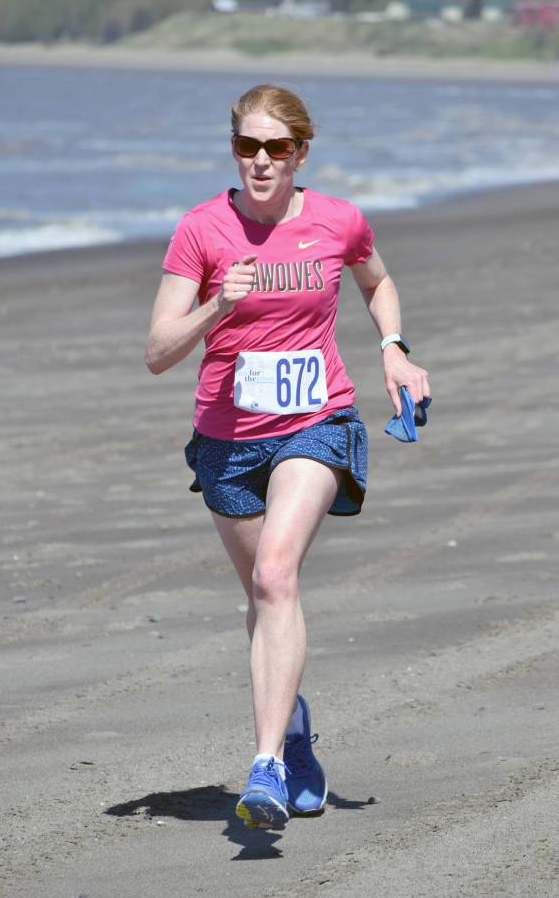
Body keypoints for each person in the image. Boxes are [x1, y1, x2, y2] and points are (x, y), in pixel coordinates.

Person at [145, 84, 430, 831]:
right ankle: (294, 728)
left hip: (316, 420)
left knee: (276, 574)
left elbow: (377, 280)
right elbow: (157, 352)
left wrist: (393, 349)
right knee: (263, 601)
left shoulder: (338, 220)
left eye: (276, 148)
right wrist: (218, 305)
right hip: (228, 438)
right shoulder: (201, 230)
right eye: (248, 147)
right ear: (234, 150)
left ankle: (265, 765)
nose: (261, 161)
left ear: (301, 153)